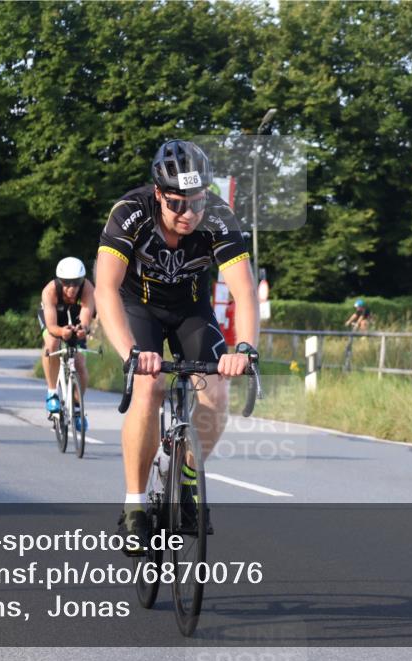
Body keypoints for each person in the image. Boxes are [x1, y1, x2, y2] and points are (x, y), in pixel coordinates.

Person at [95, 139, 258, 553]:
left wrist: (245, 348)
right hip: (138, 308)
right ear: (157, 195)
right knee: (148, 387)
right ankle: (134, 506)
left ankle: (186, 483)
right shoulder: (129, 213)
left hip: (191, 310)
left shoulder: (219, 217)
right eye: (177, 204)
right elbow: (106, 290)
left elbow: (245, 292)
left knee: (217, 390)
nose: (189, 214)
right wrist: (131, 353)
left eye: (198, 201)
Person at [39, 257, 96, 432]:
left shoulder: (87, 288)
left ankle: (77, 408)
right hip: (54, 319)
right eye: (66, 283)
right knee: (52, 342)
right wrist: (62, 332)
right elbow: (51, 326)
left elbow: (86, 317)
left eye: (76, 283)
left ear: (82, 280)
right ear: (59, 280)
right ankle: (52, 393)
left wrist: (82, 330)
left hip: (75, 316)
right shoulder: (50, 291)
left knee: (79, 362)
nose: (71, 288)